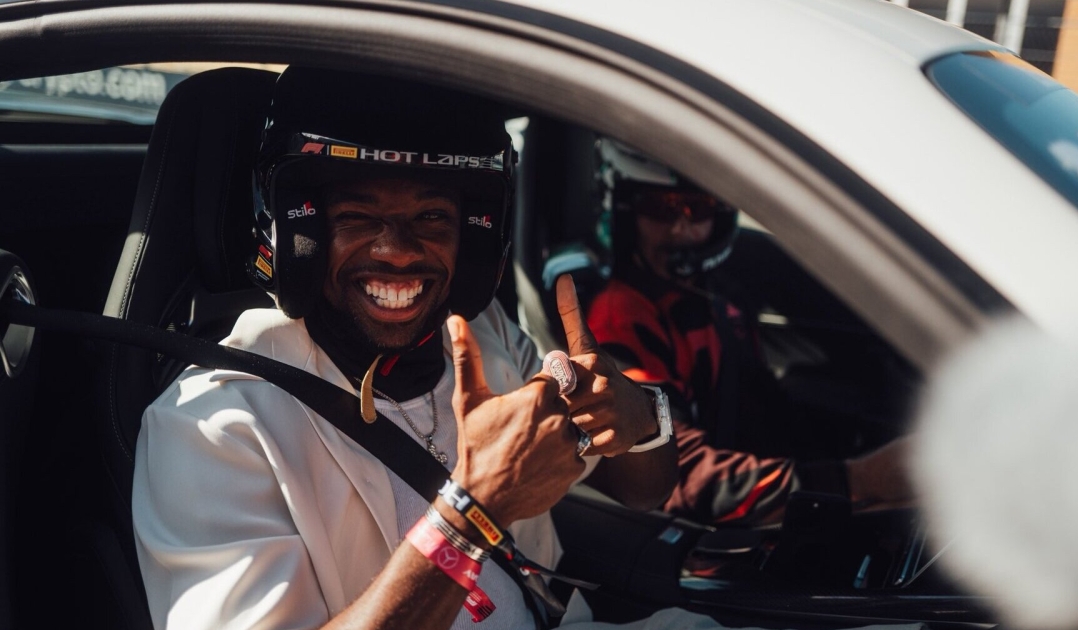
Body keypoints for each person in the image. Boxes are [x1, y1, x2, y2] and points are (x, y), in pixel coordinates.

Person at [131, 68, 683, 630]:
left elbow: (646, 489)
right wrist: (471, 513)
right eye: (356, 216)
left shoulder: (481, 336)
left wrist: (641, 417)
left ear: (473, 234)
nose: (397, 251)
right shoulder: (216, 423)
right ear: (303, 233)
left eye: (431, 216)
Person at [587, 139, 911, 527]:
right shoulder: (622, 319)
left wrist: (864, 449)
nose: (680, 227)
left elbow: (762, 411)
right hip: (704, 535)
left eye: (697, 209)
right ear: (627, 212)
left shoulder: (716, 297)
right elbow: (674, 473)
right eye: (660, 208)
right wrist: (857, 480)